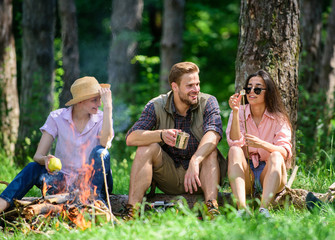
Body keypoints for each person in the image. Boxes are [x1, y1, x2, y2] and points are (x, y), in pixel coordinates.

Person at [124, 62, 226, 220]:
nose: (196, 90)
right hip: (169, 176)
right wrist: (161, 135)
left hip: (200, 176)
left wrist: (195, 159)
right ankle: (132, 212)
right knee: (146, 147)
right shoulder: (156, 105)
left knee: (209, 149)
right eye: (190, 85)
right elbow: (131, 138)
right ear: (175, 86)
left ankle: (211, 208)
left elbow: (214, 134)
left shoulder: (208, 102)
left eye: (197, 84)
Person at [0, 76, 114, 212]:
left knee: (101, 152)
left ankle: (95, 203)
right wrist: (45, 159)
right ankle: (2, 205)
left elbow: (105, 142)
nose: (100, 103)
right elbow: (38, 156)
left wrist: (108, 107)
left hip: (94, 182)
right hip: (63, 183)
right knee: (32, 168)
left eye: (100, 99)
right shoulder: (57, 117)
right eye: (94, 100)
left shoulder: (102, 117)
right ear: (80, 102)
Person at [226, 69, 292, 218]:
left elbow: (284, 152)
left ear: (267, 92)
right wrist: (235, 112)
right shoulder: (239, 111)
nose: (251, 92)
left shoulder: (279, 118)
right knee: (235, 151)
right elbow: (234, 142)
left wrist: (262, 144)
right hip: (246, 170)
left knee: (276, 155)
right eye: (248, 88)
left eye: (257, 89)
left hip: (270, 172)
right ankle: (242, 210)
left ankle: (263, 210)